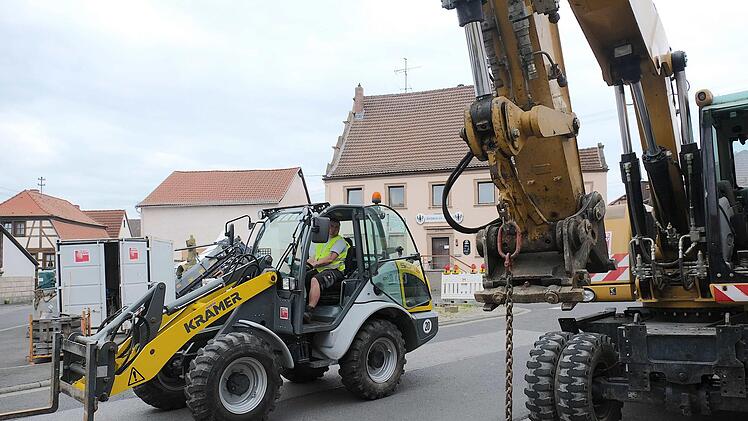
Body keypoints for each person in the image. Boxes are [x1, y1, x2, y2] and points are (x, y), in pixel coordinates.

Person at [304, 218, 349, 322]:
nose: (334, 229)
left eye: (337, 227)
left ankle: (309, 311)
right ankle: (301, 305)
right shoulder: (321, 241)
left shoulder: (340, 241)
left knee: (315, 280)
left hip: (336, 271)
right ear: (326, 228)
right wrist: (304, 265)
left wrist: (314, 264)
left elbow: (330, 259)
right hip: (322, 269)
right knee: (302, 277)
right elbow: (314, 257)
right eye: (331, 226)